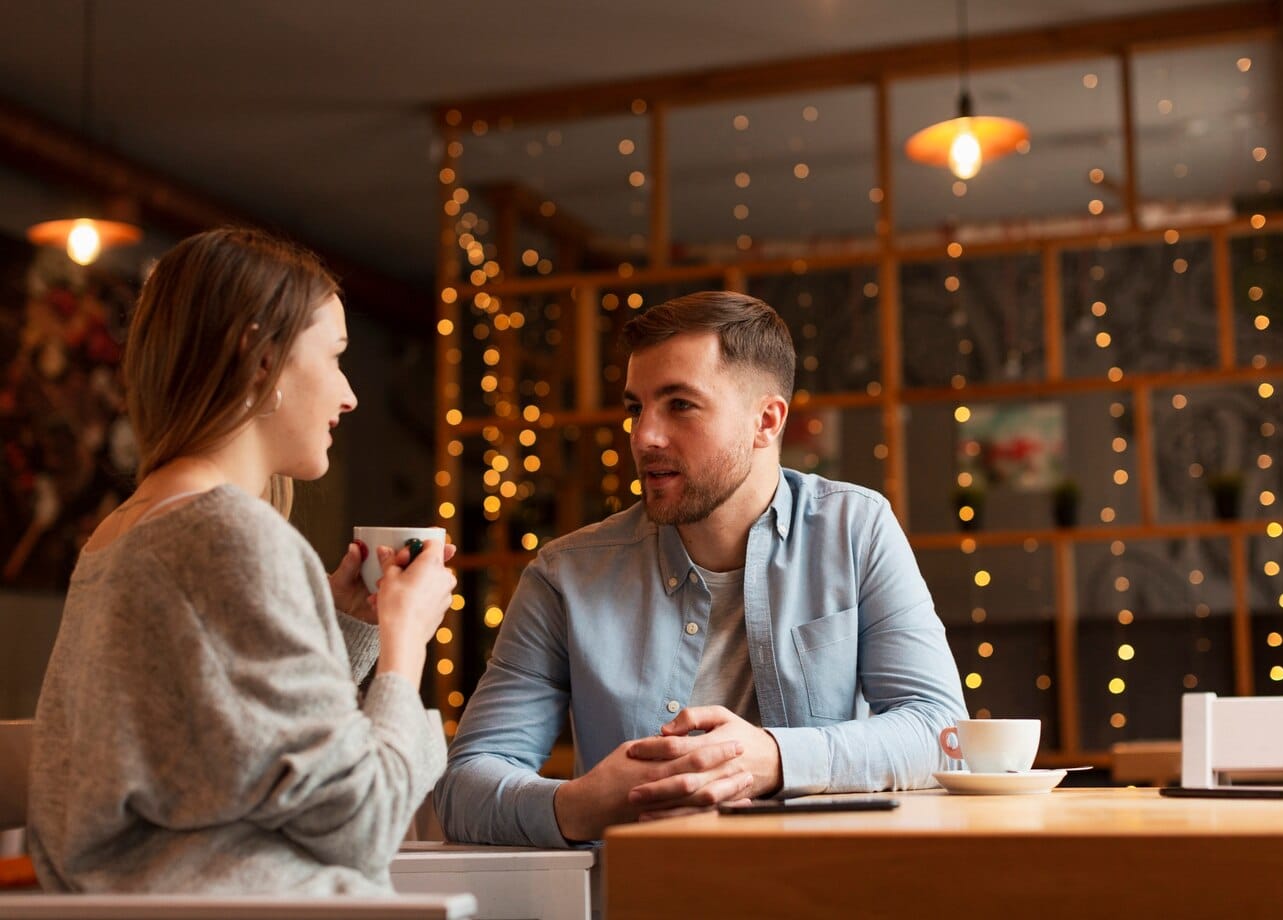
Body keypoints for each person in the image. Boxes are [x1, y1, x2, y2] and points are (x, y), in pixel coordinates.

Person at [436, 290, 966, 847]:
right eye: (636, 408)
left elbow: (941, 730)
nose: (643, 437)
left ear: (766, 420)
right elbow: (464, 787)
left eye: (679, 405)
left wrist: (774, 757)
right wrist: (586, 802)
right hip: (639, 899)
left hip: (823, 891)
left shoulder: (855, 530)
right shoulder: (564, 576)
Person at [27, 228, 457, 894]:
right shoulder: (231, 534)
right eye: (336, 357)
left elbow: (231, 747)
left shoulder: (121, 532)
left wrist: (347, 628)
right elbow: (364, 825)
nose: (350, 396)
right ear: (260, 357)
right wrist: (406, 645)